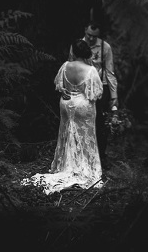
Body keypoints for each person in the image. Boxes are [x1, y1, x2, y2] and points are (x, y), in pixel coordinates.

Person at [21, 39, 104, 194]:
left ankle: (66, 165)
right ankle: (83, 167)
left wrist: (68, 92)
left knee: (66, 134)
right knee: (85, 136)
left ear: (74, 51)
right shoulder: (90, 70)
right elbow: (95, 93)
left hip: (65, 104)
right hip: (82, 104)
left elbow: (60, 85)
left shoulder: (65, 66)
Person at [77, 21, 118, 166]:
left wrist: (114, 96)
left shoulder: (104, 47)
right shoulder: (77, 45)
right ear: (85, 31)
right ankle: (83, 156)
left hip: (101, 88)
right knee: (82, 121)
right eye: (89, 35)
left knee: (100, 123)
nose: (91, 39)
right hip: (82, 89)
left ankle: (101, 156)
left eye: (94, 36)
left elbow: (109, 71)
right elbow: (71, 66)